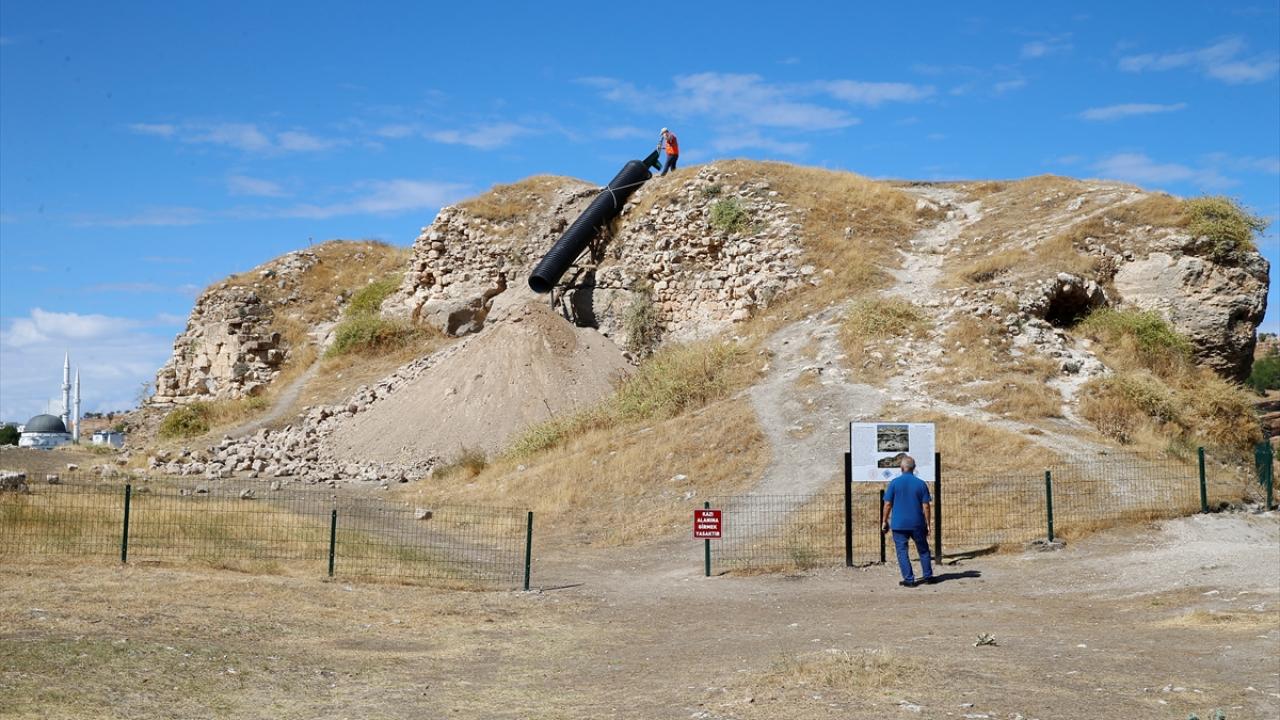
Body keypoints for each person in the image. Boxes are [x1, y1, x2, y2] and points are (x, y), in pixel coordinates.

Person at [881, 454, 934, 587]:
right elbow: (926, 506)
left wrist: (884, 520)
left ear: (901, 468)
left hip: (899, 524)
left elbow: (887, 504)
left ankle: (909, 579)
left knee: (902, 551)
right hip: (917, 523)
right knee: (923, 550)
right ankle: (928, 576)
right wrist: (928, 523)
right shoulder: (921, 484)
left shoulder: (894, 483)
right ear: (914, 468)